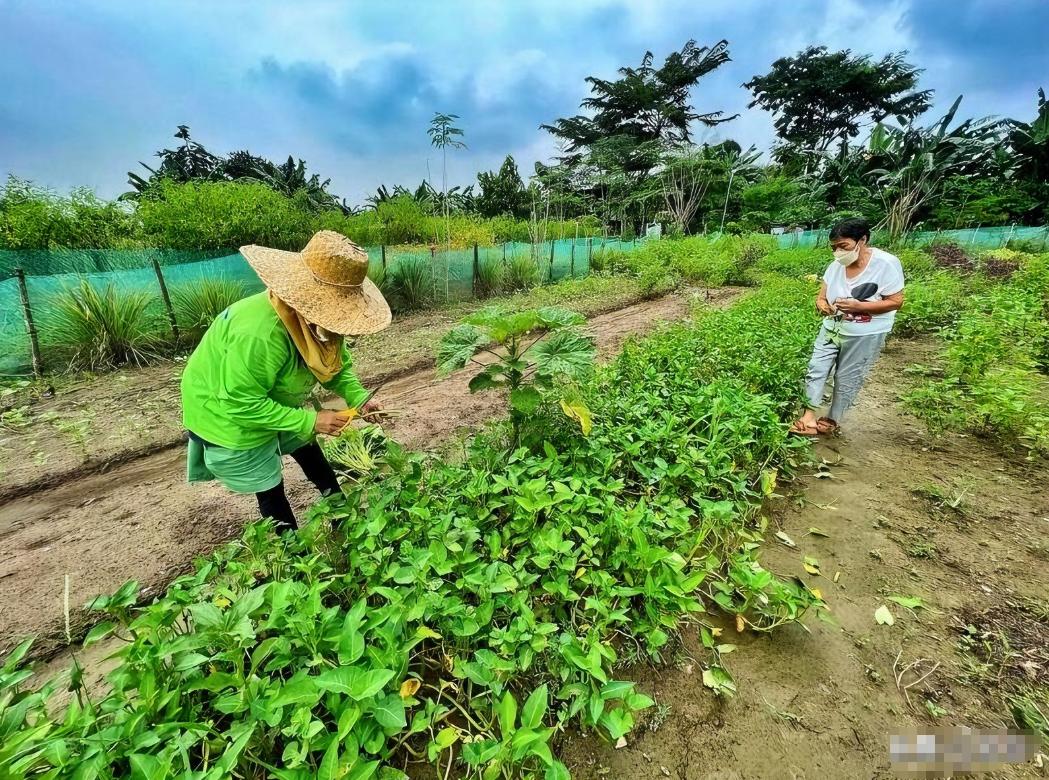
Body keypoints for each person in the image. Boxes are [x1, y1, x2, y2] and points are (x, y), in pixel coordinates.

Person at [180, 230, 391, 532]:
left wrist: (360, 398)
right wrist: (311, 420)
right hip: (225, 408)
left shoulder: (321, 324)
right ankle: (293, 556)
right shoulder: (260, 334)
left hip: (270, 397)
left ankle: (343, 517)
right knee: (270, 485)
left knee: (307, 448)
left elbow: (337, 367)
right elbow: (241, 402)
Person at [792, 218, 905, 437]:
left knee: (847, 376)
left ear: (862, 240)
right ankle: (808, 416)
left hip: (866, 333)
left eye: (842, 246)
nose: (837, 252)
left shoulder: (886, 264)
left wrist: (860, 306)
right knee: (816, 368)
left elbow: (896, 301)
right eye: (833, 247)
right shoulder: (835, 266)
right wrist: (822, 305)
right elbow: (821, 297)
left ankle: (833, 418)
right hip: (832, 327)